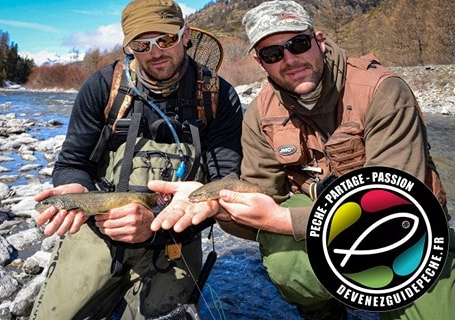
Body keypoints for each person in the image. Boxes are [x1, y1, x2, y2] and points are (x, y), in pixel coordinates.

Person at [149, 1, 455, 320]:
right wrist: (215, 202)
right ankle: (324, 312)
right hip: (317, 223)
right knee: (285, 262)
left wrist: (283, 221)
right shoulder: (261, 113)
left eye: (299, 44)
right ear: (260, 61)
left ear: (318, 41)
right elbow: (262, 197)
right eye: (273, 53)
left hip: (407, 229)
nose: (290, 60)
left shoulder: (381, 91)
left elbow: (394, 206)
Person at [29, 0, 243, 319]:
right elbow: (72, 163)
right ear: (129, 47)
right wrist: (73, 187)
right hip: (99, 228)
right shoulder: (103, 87)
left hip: (177, 234)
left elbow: (225, 186)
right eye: (142, 44)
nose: (155, 52)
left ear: (185, 36)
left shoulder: (217, 97)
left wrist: (157, 228)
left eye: (166, 39)